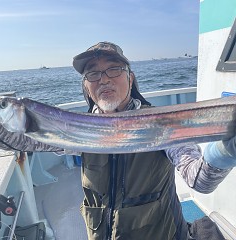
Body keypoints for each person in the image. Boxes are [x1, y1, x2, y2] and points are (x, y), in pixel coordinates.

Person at [72, 41, 236, 240]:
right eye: (93, 73)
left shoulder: (161, 123)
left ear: (130, 79)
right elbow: (39, 141)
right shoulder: (75, 128)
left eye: (114, 69)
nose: (104, 79)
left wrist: (223, 153)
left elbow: (200, 180)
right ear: (86, 87)